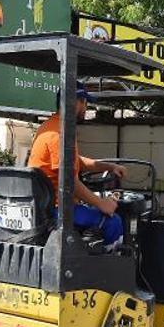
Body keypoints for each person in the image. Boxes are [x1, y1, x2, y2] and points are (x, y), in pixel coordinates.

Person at [28, 82, 128, 252]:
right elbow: (68, 181)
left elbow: (77, 162)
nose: (86, 107)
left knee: (93, 212)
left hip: (49, 205)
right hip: (57, 209)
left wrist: (109, 167)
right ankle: (107, 273)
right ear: (76, 102)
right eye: (85, 102)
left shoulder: (50, 127)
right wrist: (101, 203)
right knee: (113, 222)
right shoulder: (58, 134)